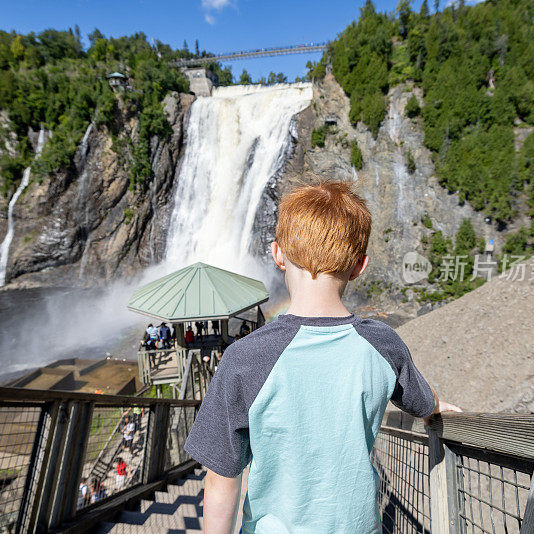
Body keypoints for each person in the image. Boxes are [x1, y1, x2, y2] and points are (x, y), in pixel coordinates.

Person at [183, 181, 461, 534]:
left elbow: (222, 478)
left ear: (278, 254)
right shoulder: (383, 344)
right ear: (360, 266)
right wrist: (437, 407)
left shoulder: (244, 358)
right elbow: (421, 401)